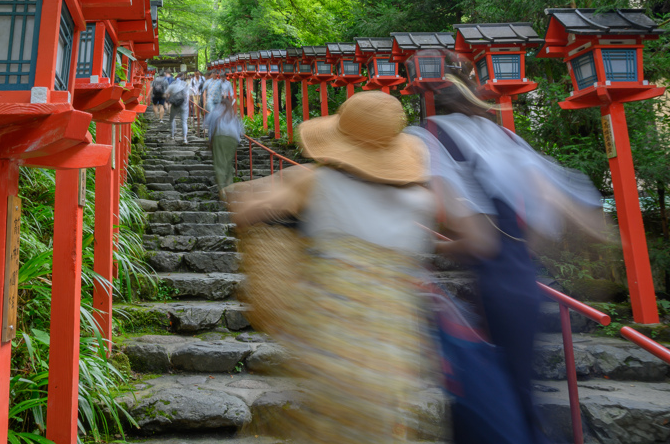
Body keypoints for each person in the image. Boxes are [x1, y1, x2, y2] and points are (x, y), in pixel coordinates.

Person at [409, 53, 606, 444]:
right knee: (520, 395)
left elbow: (480, 241)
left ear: (433, 89)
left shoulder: (434, 136)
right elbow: (550, 213)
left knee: (493, 402)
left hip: (494, 288)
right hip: (524, 282)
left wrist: (431, 245)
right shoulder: (505, 137)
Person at [231, 91, 442, 443]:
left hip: (332, 326)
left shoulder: (318, 181)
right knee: (380, 424)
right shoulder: (420, 200)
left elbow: (245, 210)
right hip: (394, 334)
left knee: (329, 424)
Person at [205, 79, 241, 199]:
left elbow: (208, 124)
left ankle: (223, 191)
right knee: (228, 163)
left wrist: (210, 140)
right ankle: (229, 187)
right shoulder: (233, 114)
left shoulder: (216, 111)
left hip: (220, 137)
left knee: (220, 164)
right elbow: (240, 130)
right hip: (233, 140)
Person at [166, 74, 189, 143]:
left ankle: (172, 135)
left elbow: (166, 94)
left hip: (175, 105)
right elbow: (188, 96)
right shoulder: (186, 86)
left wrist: (168, 100)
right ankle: (184, 138)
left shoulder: (172, 86)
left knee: (172, 119)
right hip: (184, 106)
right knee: (184, 122)